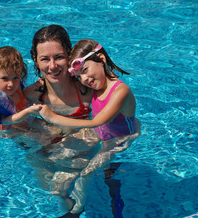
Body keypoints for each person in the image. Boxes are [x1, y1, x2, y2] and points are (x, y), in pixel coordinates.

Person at [38, 39, 141, 215]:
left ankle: (77, 210)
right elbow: (62, 83)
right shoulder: (95, 84)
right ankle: (62, 191)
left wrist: (53, 117)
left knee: (86, 174)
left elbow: (97, 121)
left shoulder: (120, 91)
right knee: (56, 151)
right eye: (79, 77)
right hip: (101, 132)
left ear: (101, 58)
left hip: (119, 139)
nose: (84, 80)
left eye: (85, 71)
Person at [23, 25, 97, 218]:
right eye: (45, 59)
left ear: (70, 57)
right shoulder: (31, 96)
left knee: (65, 191)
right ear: (35, 61)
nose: (53, 66)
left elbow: (107, 126)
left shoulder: (88, 91)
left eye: (59, 57)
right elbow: (16, 130)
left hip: (80, 151)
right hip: (46, 151)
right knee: (52, 190)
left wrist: (68, 143)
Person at [0, 46, 41, 130]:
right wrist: (29, 111)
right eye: (5, 78)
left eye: (16, 78)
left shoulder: (18, 87)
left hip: (26, 119)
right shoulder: (0, 99)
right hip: (13, 130)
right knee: (43, 139)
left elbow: (26, 97)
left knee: (53, 128)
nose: (11, 84)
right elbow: (5, 121)